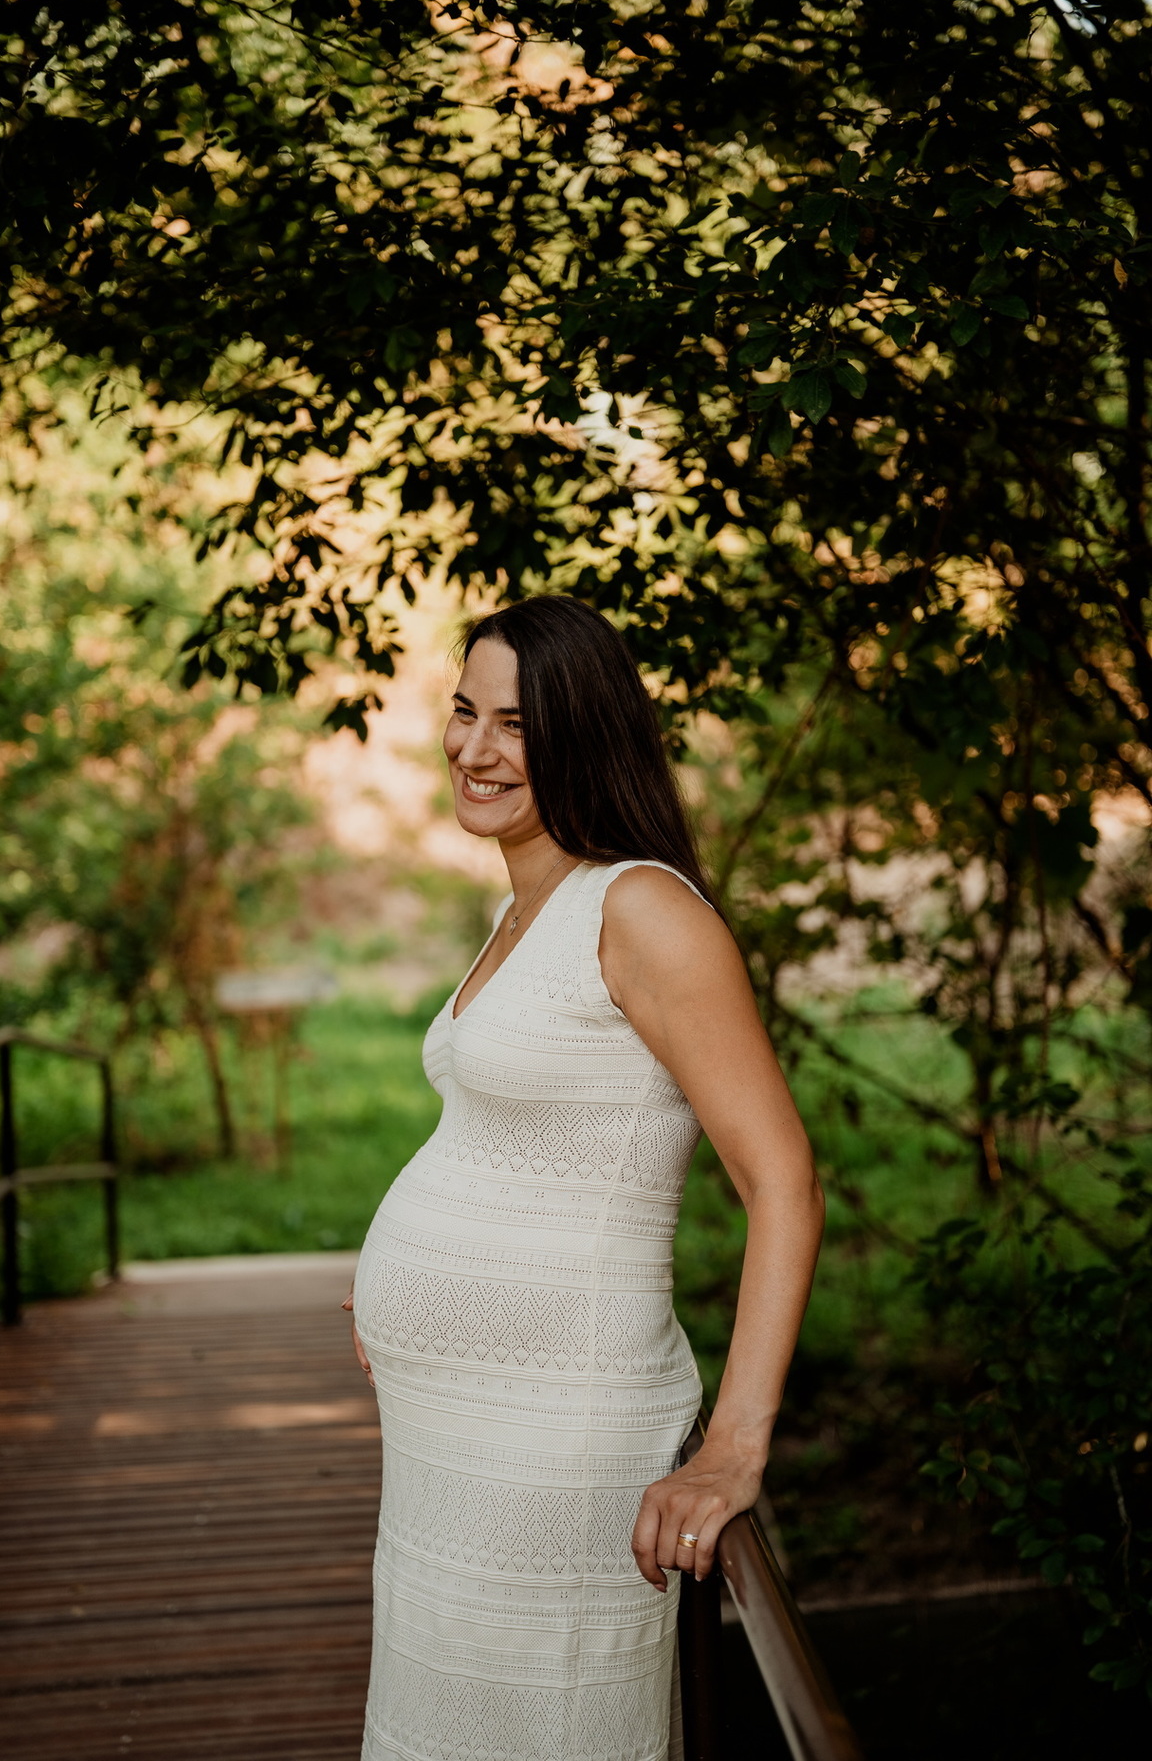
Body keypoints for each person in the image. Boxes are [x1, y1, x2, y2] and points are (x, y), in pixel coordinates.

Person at [343, 595, 823, 1761]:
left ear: (586, 735)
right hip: (450, 1438)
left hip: (559, 1443)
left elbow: (782, 1180)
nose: (474, 748)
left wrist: (734, 1448)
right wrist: (409, 1290)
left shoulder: (641, 908)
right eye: (464, 712)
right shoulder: (524, 907)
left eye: (516, 724)